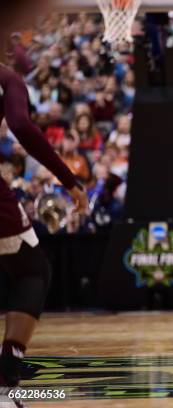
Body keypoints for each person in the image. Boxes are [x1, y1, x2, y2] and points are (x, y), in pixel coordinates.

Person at [0, 63, 88, 388]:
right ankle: (5, 383)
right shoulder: (6, 76)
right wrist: (70, 182)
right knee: (31, 272)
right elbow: (21, 125)